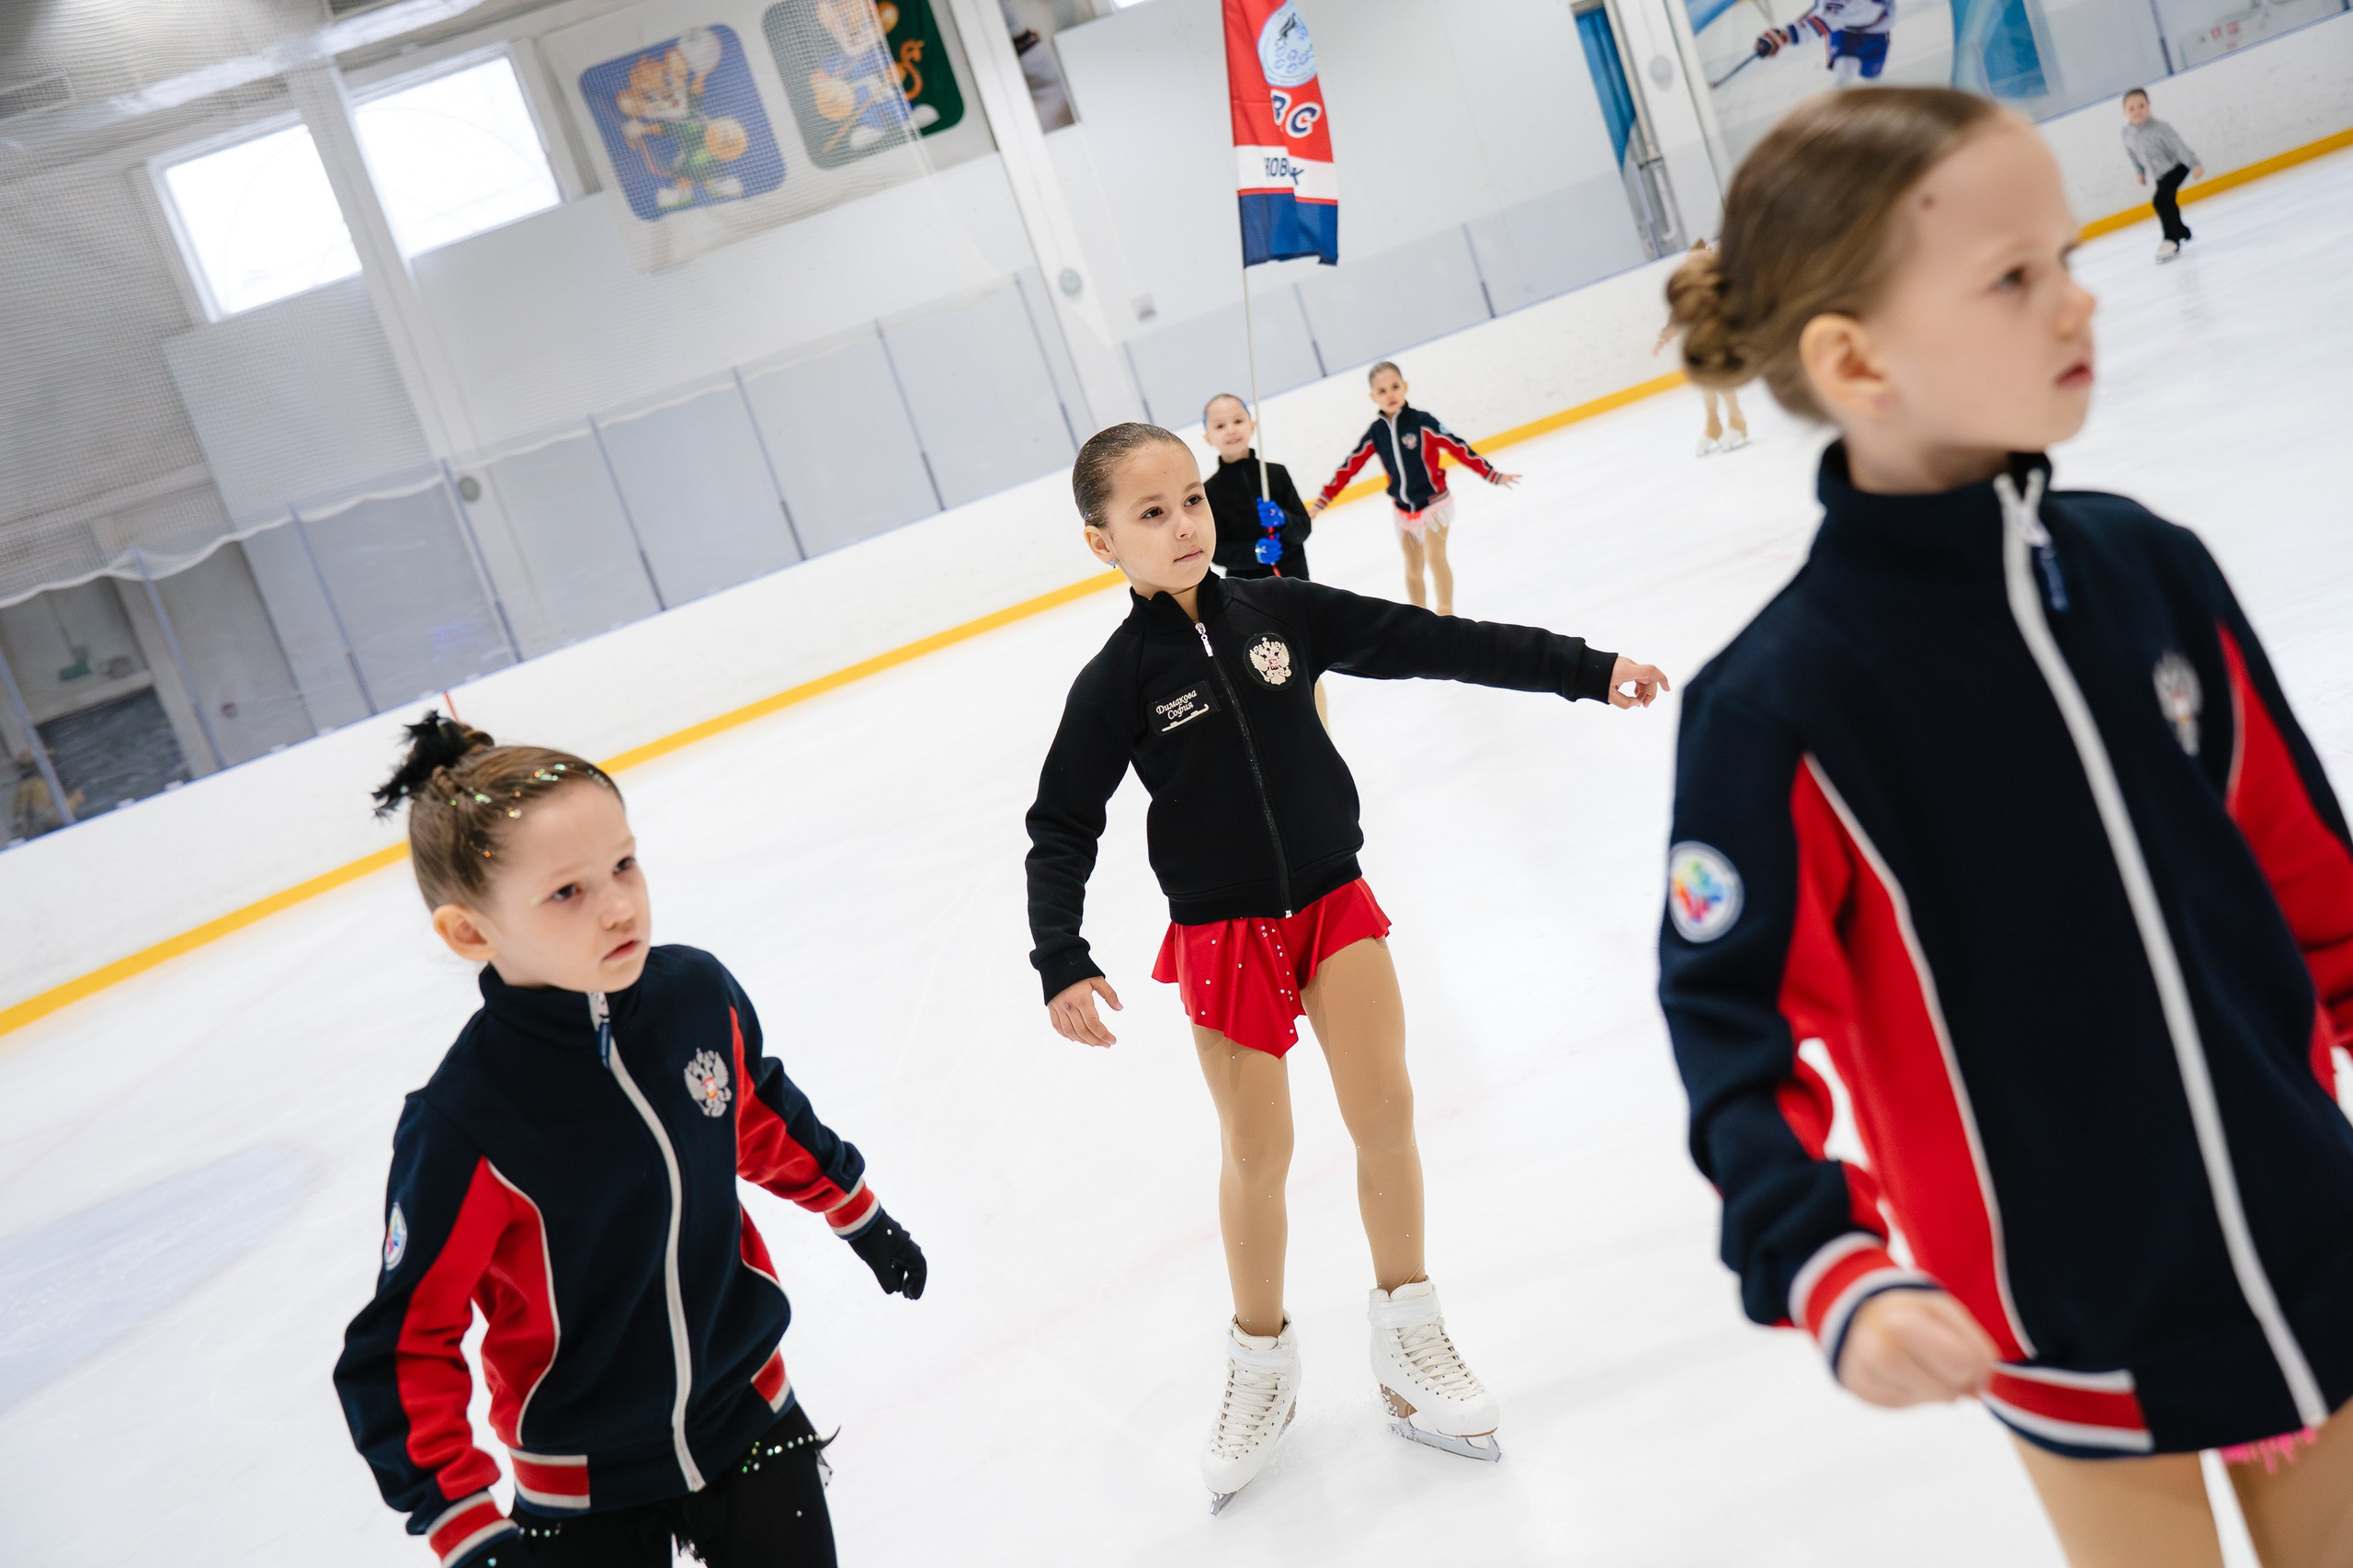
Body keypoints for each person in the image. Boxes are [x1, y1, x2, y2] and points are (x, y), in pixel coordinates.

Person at [1655, 86, 2353, 1568]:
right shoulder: (1780, 705)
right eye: (2015, 275)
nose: (2077, 297)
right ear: (1856, 359)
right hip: (2065, 1315)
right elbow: (1735, 1024)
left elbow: (2312, 879)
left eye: (2071, 253)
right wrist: (1828, 1263)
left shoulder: (2150, 570)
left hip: (2319, 1240)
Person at [1026, 422, 1666, 1512]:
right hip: (1224, 931)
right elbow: (1059, 826)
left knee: (1386, 1109)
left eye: (1191, 498)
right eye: (1151, 513)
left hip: (1329, 898)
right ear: (1102, 544)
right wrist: (1062, 959)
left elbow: (1436, 639)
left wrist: (1585, 670)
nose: (1184, 523)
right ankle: (1260, 1365)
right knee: (1259, 1150)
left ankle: (1409, 1341)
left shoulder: (1280, 610)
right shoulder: (1115, 681)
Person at [335, 716, 927, 1568]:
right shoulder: (469, 1120)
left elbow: (754, 1116)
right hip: (581, 1486)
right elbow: (406, 1344)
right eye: (567, 892)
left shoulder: (694, 994)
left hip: (751, 1417)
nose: (619, 905)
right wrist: (465, 1526)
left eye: (624, 864)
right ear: (472, 933)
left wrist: (857, 1212)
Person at [1307, 362, 1518, 617]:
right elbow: (1350, 466)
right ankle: (1419, 618)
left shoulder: (1422, 422)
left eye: (1395, 387)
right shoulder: (1376, 432)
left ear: (1405, 387)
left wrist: (1492, 474)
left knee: (1435, 557)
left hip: (1434, 503)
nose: (1390, 394)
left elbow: (1458, 447)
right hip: (1404, 510)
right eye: (1382, 391)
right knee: (1413, 567)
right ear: (1373, 397)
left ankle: (1445, 614)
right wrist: (1322, 501)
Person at [1202, 392, 1330, 726]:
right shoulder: (1209, 493)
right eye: (1220, 425)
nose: (1231, 429)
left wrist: (1284, 521)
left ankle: (1323, 735)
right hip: (1247, 596)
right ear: (1208, 437)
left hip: (1293, 586)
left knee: (1306, 665)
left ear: (1252, 424)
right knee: (1267, 668)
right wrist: (1253, 552)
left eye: (1238, 421)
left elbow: (1302, 530)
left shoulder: (1275, 474)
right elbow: (1216, 551)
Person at [1655, 242, 1750, 457]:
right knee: (1706, 384)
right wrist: (1666, 334)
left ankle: (1737, 421)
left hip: (1718, 341)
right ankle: (1713, 423)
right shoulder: (1688, 286)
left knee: (1721, 381)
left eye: (1698, 259)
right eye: (1691, 260)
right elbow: (1680, 314)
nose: (1693, 264)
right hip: (1700, 342)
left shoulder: (1719, 283)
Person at [2122, 87, 2204, 264]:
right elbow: (2132, 154)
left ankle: (2171, 239)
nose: (2137, 111)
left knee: (2160, 201)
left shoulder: (2160, 128)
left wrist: (2194, 164)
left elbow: (2178, 147)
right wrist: (2140, 173)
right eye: (2131, 108)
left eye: (2141, 106)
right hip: (2158, 174)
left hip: (2177, 167)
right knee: (2168, 202)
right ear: (2125, 112)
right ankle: (2182, 231)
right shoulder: (2127, 134)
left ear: (2149, 106)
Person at [1753, 0, 1893, 86]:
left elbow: (1823, 19)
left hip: (1876, 32)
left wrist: (1786, 36)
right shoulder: (1833, 9)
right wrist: (1785, 36)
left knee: (1871, 75)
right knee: (1843, 72)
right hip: (1844, 31)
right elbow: (1819, 22)